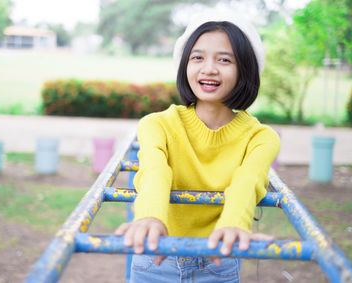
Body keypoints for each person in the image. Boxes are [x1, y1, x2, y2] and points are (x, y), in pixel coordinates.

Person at [115, 10, 281, 283]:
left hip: (218, 260)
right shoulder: (157, 124)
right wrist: (150, 218)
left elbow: (247, 181)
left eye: (224, 59)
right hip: (157, 254)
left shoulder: (261, 137)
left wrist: (234, 225)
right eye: (198, 57)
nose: (209, 68)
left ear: (245, 69)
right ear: (185, 65)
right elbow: (155, 171)